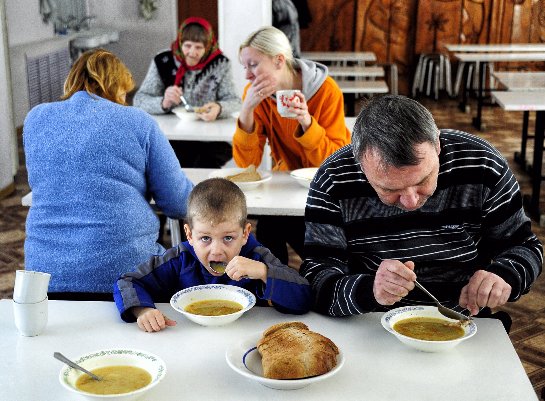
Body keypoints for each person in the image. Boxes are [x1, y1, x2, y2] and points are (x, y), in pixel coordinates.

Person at [300, 95, 543, 332]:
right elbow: (316, 277)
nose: (411, 201)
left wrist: (504, 275)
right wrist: (369, 289)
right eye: (389, 189)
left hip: (463, 317)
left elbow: (526, 246)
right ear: (360, 165)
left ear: (437, 144)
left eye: (423, 180)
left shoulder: (482, 163)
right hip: (369, 322)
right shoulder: (333, 178)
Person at [23, 49, 194, 299]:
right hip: (128, 279)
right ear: (115, 88)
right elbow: (179, 203)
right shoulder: (138, 121)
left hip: (44, 278)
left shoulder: (35, 119)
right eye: (124, 93)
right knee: (184, 268)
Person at [114, 178, 312, 332]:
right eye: (205, 239)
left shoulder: (257, 257)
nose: (216, 250)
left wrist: (263, 272)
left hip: (244, 340)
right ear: (189, 235)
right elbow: (128, 282)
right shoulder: (179, 258)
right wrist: (143, 310)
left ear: (245, 234)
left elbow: (304, 297)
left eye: (228, 238)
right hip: (188, 344)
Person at [234, 26, 350, 265]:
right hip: (286, 186)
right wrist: (246, 112)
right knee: (268, 230)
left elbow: (335, 162)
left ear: (279, 60)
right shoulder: (256, 95)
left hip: (325, 191)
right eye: (244, 66)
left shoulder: (327, 92)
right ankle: (277, 288)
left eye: (253, 65)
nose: (247, 75)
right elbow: (248, 166)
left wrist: (307, 122)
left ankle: (322, 278)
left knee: (308, 240)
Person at [133, 16, 240, 168]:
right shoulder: (163, 60)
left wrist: (219, 108)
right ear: (180, 43)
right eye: (187, 45)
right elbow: (139, 100)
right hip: (171, 138)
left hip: (210, 140)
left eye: (198, 47)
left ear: (208, 46)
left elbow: (235, 101)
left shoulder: (221, 63)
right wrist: (163, 102)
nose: (191, 52)